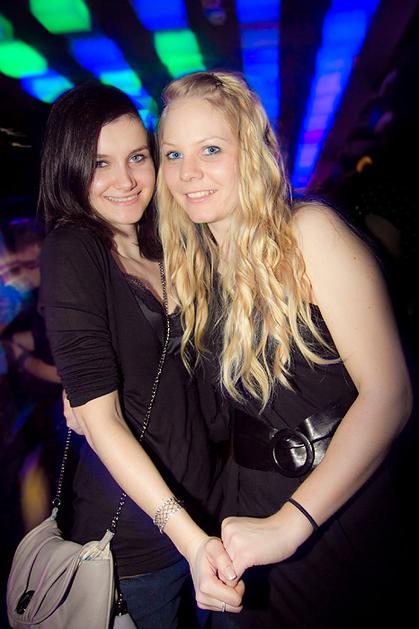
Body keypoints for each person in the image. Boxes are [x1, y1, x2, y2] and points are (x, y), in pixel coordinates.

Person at [156, 71, 413, 628]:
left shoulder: (309, 233)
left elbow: (390, 394)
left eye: (210, 149)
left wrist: (291, 524)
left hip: (335, 507)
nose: (188, 172)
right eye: (173, 153)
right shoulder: (196, 269)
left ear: (250, 152)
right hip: (246, 504)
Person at [37, 81, 244, 629]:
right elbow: (101, 420)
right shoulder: (73, 248)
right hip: (133, 541)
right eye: (99, 164)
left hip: (212, 512)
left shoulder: (170, 239)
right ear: (68, 168)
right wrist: (190, 540)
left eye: (137, 157)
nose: (125, 180)